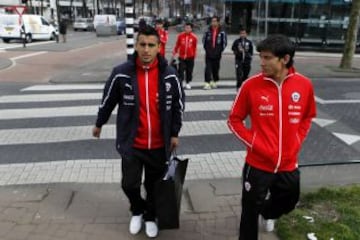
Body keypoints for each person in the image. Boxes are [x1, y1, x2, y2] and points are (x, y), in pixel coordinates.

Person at [92, 26, 184, 238]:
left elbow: (178, 106)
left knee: (153, 185)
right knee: (129, 184)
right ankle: (137, 209)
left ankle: (150, 216)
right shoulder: (121, 73)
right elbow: (108, 101)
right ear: (136, 45)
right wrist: (99, 123)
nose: (146, 49)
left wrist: (175, 133)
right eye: (142, 44)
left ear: (159, 48)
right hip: (132, 143)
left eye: (151, 45)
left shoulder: (170, 75)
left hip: (159, 145)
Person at [227, 34, 316, 240]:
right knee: (249, 212)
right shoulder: (251, 85)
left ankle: (268, 212)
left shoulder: (304, 85)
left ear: (284, 59)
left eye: (267, 58)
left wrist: (297, 141)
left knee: (289, 201)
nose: (262, 62)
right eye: (261, 57)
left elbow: (307, 117)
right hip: (257, 165)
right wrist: (255, 143)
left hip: (288, 164)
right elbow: (234, 120)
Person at [202, 16, 227, 90]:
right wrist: (207, 49)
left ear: (218, 22)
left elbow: (224, 43)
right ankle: (207, 82)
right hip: (209, 53)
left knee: (215, 68)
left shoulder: (222, 32)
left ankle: (215, 80)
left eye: (215, 21)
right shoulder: (208, 31)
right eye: (212, 21)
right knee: (208, 68)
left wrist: (219, 51)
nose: (213, 23)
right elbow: (204, 41)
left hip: (217, 53)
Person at [172, 22, 198, 90]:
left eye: (188, 28)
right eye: (186, 27)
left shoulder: (194, 37)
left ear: (191, 29)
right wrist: (175, 52)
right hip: (182, 57)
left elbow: (195, 47)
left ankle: (188, 82)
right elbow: (177, 45)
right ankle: (180, 83)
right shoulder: (180, 36)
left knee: (189, 71)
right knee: (181, 70)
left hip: (190, 57)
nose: (187, 29)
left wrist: (194, 55)